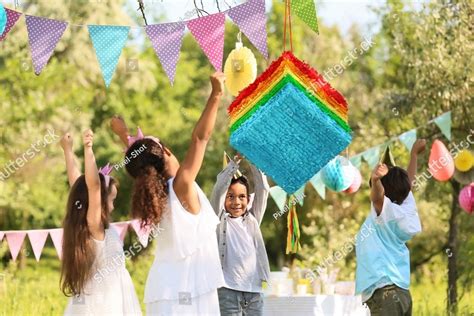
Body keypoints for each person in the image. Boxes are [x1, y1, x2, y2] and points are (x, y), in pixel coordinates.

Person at [115, 72, 226, 315]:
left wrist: (124, 136)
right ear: (166, 150)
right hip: (189, 294)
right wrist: (216, 94)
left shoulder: (157, 195)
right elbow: (199, 138)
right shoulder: (181, 186)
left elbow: (142, 163)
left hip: (163, 293)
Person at [60, 131, 142, 315]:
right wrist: (88, 149)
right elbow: (93, 187)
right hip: (105, 302)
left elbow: (77, 184)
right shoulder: (95, 227)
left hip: (104, 296)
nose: (112, 207)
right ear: (98, 202)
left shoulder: (90, 226)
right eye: (111, 200)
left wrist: (68, 150)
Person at [355, 139, 426, 316]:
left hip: (385, 291)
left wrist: (375, 179)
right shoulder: (406, 209)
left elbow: (377, 197)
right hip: (401, 292)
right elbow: (409, 182)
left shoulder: (385, 212)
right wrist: (414, 155)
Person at [210, 155, 271, 316]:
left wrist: (252, 160)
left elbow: (263, 189)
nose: (236, 202)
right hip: (227, 291)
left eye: (241, 196)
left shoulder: (253, 219)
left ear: (248, 199)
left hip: (254, 292)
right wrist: (233, 165)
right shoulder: (218, 220)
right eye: (230, 196)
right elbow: (218, 190)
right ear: (224, 199)